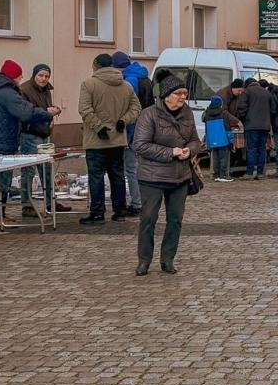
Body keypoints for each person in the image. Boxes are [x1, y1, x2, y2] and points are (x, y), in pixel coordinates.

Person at [131, 73, 202, 276]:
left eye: (185, 93)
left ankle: (168, 259)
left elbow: (195, 140)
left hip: (180, 176)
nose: (183, 97)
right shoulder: (149, 114)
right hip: (152, 177)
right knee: (148, 219)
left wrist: (190, 150)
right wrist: (170, 152)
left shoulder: (187, 113)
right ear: (166, 95)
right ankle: (144, 260)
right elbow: (140, 145)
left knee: (175, 220)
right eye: (178, 93)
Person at [0, 59, 56, 233]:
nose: (20, 79)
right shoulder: (7, 93)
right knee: (1, 181)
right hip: (2, 142)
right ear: (13, 76)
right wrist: (47, 113)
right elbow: (25, 112)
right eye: (19, 76)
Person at [78, 52, 139, 224]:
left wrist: (99, 127)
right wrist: (124, 121)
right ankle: (120, 211)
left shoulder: (89, 84)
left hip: (96, 140)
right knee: (117, 175)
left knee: (96, 177)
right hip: (118, 139)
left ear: (95, 65)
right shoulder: (126, 86)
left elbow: (84, 109)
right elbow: (136, 108)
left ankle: (97, 213)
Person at [16, 63, 63, 216]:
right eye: (41, 75)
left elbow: (44, 108)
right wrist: (46, 111)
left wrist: (52, 113)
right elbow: (26, 113)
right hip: (30, 134)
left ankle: (50, 201)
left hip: (44, 133)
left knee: (47, 169)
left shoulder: (47, 90)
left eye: (46, 76)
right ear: (34, 75)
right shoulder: (24, 89)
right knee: (28, 170)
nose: (43, 79)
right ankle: (27, 204)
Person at [114, 51, 153, 214]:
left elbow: (130, 108)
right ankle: (146, 200)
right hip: (146, 127)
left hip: (133, 129)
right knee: (142, 167)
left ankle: (137, 203)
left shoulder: (129, 80)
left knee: (131, 168)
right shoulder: (144, 76)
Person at [236, 77, 275, 180]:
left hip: (251, 125)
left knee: (251, 149)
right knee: (262, 149)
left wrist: (241, 119)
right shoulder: (267, 93)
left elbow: (242, 108)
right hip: (265, 126)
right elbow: (273, 110)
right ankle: (260, 173)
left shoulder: (247, 92)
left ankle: (249, 173)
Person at [202, 91, 239, 182]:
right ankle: (223, 175)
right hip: (223, 139)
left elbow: (206, 129)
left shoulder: (207, 114)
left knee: (215, 158)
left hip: (212, 140)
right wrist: (231, 141)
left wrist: (207, 142)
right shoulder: (224, 113)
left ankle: (216, 175)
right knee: (223, 158)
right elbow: (227, 128)